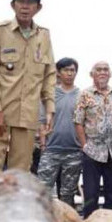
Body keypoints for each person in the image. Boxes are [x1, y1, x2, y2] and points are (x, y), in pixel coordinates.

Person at [0, 0, 55, 179]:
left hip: (27, 115)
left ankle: (14, 211)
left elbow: (49, 75)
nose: (25, 6)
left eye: (30, 2)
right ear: (12, 5)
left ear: (38, 8)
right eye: (20, 1)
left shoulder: (44, 36)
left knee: (19, 175)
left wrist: (49, 109)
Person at [74, 61, 112, 218]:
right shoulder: (84, 94)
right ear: (92, 74)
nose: (102, 72)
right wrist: (84, 146)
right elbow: (78, 122)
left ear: (110, 74)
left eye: (105, 70)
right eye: (98, 70)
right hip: (92, 152)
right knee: (91, 193)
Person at [36, 57, 82, 207]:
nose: (69, 73)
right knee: (42, 191)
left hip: (74, 151)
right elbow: (42, 120)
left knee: (68, 193)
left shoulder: (82, 96)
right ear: (58, 72)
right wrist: (43, 146)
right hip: (51, 149)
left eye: (72, 70)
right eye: (66, 70)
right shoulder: (50, 94)